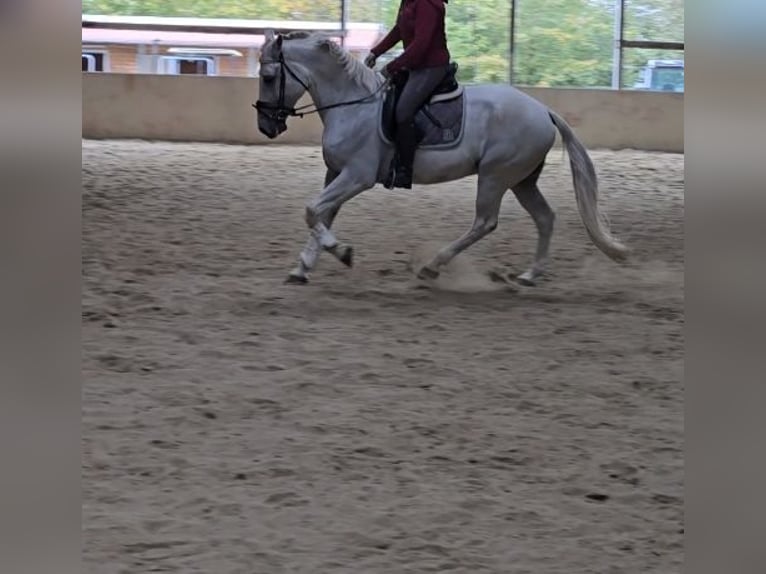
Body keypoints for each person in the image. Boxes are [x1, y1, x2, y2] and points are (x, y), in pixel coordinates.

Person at [364, 0, 451, 189]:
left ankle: (404, 170)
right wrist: (375, 52)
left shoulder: (427, 4)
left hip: (431, 67)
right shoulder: (407, 2)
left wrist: (391, 67)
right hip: (416, 65)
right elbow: (399, 30)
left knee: (403, 110)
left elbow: (421, 44)